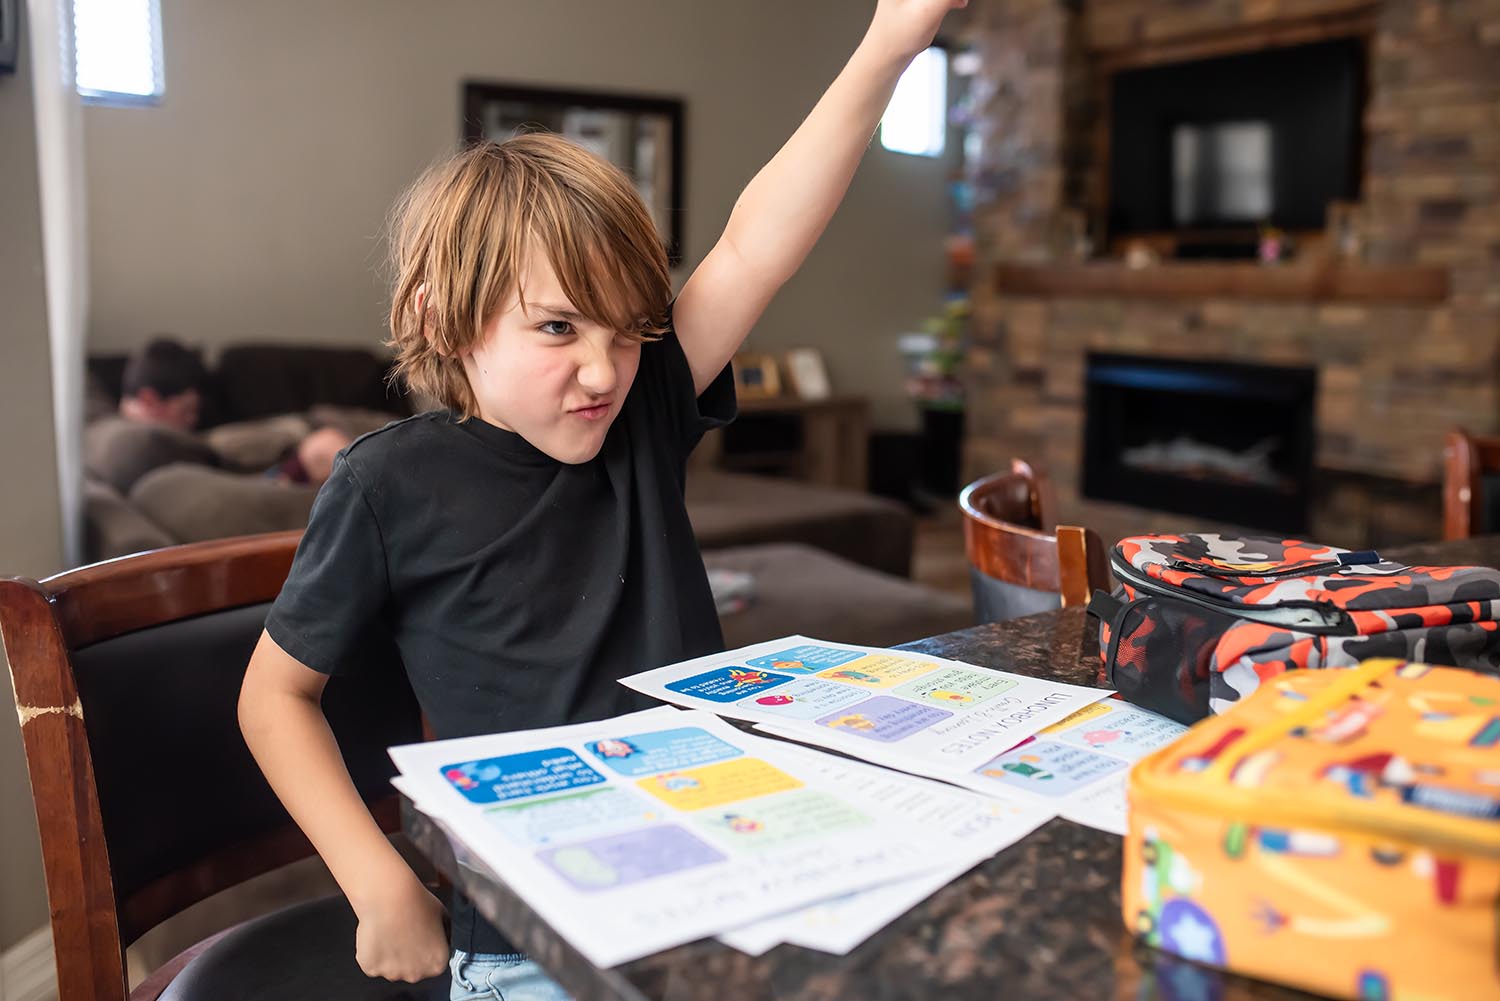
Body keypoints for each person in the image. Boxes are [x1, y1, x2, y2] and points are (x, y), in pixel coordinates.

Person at [237, 2, 966, 997]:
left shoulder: (643, 412)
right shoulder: (385, 482)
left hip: (723, 868)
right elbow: (274, 696)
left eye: (628, 331)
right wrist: (376, 879)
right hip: (524, 934)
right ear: (440, 318)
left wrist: (891, 37)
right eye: (557, 328)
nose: (602, 370)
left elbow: (756, 243)